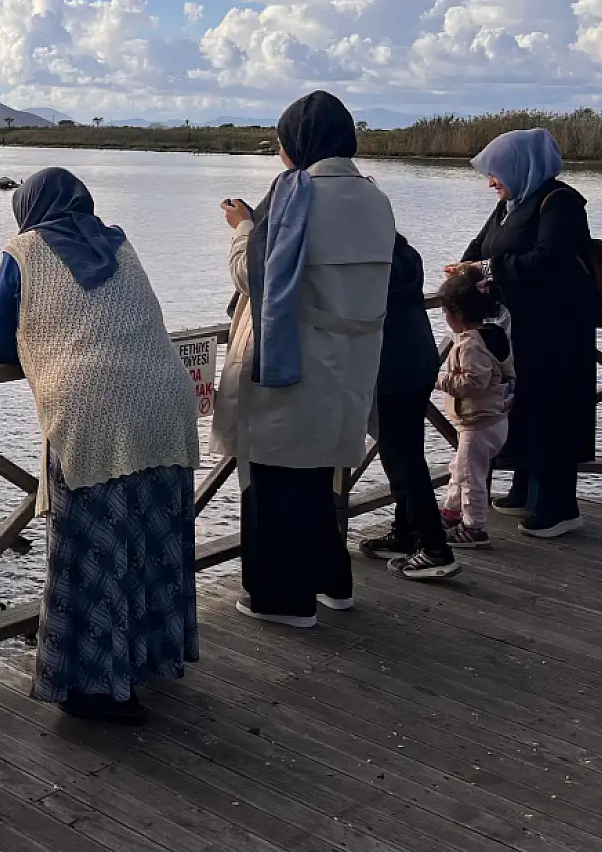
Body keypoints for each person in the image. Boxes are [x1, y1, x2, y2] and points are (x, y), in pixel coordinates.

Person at [0, 166, 201, 725]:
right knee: (150, 540)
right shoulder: (121, 243)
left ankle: (96, 690)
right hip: (163, 401)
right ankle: (147, 660)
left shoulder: (24, 251)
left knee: (92, 549)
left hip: (93, 414)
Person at [212, 90, 395, 628]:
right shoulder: (374, 196)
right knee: (318, 478)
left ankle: (281, 601)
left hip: (297, 359)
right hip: (355, 360)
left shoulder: (297, 194)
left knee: (272, 483)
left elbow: (256, 274)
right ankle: (331, 582)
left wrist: (243, 228)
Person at [452, 128, 595, 538]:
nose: (491, 182)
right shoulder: (510, 205)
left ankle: (559, 507)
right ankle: (523, 490)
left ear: (521, 166)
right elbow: (480, 247)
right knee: (522, 407)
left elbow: (549, 258)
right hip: (518, 331)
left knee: (553, 411)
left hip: (557, 333)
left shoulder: (561, 203)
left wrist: (488, 270)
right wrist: (464, 270)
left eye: (497, 172)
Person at [357, 233, 456, 577]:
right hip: (419, 357)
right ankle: (407, 534)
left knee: (401, 459)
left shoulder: (368, 262)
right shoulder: (405, 255)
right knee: (409, 452)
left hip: (390, 366)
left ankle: (433, 548)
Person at [431, 268, 515, 559]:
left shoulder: (470, 344)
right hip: (494, 420)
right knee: (461, 469)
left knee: (472, 478)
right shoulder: (495, 334)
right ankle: (450, 514)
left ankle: (474, 527)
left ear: (456, 313)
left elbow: (472, 383)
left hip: (477, 422)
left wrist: (439, 379)